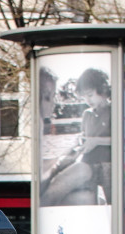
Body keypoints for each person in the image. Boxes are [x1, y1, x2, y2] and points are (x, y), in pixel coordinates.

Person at [42, 67, 111, 206]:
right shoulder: (87, 114)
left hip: (108, 164)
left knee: (113, 204)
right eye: (84, 96)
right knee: (87, 202)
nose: (87, 100)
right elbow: (85, 137)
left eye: (90, 95)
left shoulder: (114, 110)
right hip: (87, 163)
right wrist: (80, 142)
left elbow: (121, 139)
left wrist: (97, 141)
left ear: (102, 91)